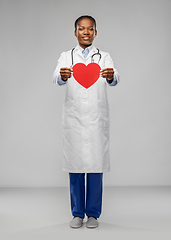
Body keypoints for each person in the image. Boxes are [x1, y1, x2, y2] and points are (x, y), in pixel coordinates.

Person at [52, 15, 120, 229]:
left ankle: (92, 214)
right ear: (75, 32)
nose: (86, 32)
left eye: (90, 29)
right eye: (81, 29)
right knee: (76, 167)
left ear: (95, 33)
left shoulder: (104, 56)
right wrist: (62, 75)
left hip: (96, 119)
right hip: (74, 119)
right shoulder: (66, 56)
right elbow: (56, 77)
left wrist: (110, 76)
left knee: (95, 168)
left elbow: (115, 76)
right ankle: (77, 213)